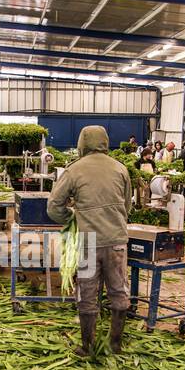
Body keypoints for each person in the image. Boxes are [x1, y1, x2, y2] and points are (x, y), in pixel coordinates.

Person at [46, 125, 132, 356]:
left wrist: (72, 217)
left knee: (87, 293)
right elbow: (127, 205)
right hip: (116, 242)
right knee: (119, 292)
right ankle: (115, 344)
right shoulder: (120, 169)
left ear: (82, 143)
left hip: (88, 242)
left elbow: (53, 206)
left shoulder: (74, 170)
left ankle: (88, 346)